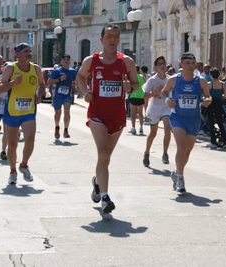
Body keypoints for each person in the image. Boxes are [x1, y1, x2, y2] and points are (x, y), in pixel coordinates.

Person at [77, 24, 138, 214]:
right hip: (97, 114)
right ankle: (105, 198)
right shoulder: (91, 60)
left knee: (106, 157)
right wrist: (85, 91)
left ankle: (97, 180)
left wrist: (131, 88)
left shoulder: (126, 62)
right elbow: (80, 76)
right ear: (102, 40)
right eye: (108, 36)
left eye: (115, 37)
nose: (112, 39)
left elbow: (136, 84)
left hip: (117, 116)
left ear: (119, 40)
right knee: (102, 154)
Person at [161, 53, 212, 193]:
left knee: (187, 152)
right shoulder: (173, 80)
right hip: (178, 118)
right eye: (188, 63)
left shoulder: (200, 81)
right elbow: (164, 93)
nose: (191, 66)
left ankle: (176, 172)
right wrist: (167, 101)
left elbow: (208, 96)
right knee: (181, 147)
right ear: (181, 64)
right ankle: (181, 179)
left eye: (193, 63)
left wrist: (208, 100)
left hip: (194, 119)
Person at [0, 43, 45, 184]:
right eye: (25, 51)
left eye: (30, 51)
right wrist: (13, 83)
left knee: (29, 142)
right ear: (17, 54)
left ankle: (24, 165)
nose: (29, 53)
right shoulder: (11, 68)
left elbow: (41, 84)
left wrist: (39, 94)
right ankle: (12, 171)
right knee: (12, 146)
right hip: (11, 112)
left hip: (29, 111)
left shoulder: (36, 69)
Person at [142, 55, 171, 167]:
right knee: (153, 133)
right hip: (154, 108)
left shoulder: (169, 79)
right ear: (155, 68)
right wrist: (157, 92)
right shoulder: (152, 80)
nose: (163, 65)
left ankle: (165, 153)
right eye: (160, 64)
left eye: (164, 63)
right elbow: (144, 96)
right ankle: (147, 153)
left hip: (165, 107)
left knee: (167, 128)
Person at [47, 54, 76, 139]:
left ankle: (66, 130)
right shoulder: (57, 71)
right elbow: (49, 81)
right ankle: (57, 127)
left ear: (69, 61)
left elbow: (75, 79)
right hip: (58, 95)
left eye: (67, 59)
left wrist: (75, 83)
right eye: (64, 59)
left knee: (67, 111)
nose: (66, 61)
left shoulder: (72, 71)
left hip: (67, 95)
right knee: (58, 113)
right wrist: (59, 79)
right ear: (61, 61)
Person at [204, 67, 226, 148]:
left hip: (211, 104)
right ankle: (225, 141)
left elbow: (206, 95)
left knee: (211, 123)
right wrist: (220, 95)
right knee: (220, 123)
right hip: (219, 104)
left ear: (211, 75)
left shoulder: (209, 84)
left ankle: (213, 142)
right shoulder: (223, 84)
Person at [128, 65, 146, 134]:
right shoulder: (142, 77)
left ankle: (133, 128)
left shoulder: (132, 77)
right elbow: (146, 84)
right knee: (141, 113)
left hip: (133, 95)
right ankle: (141, 127)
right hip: (141, 96)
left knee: (133, 113)